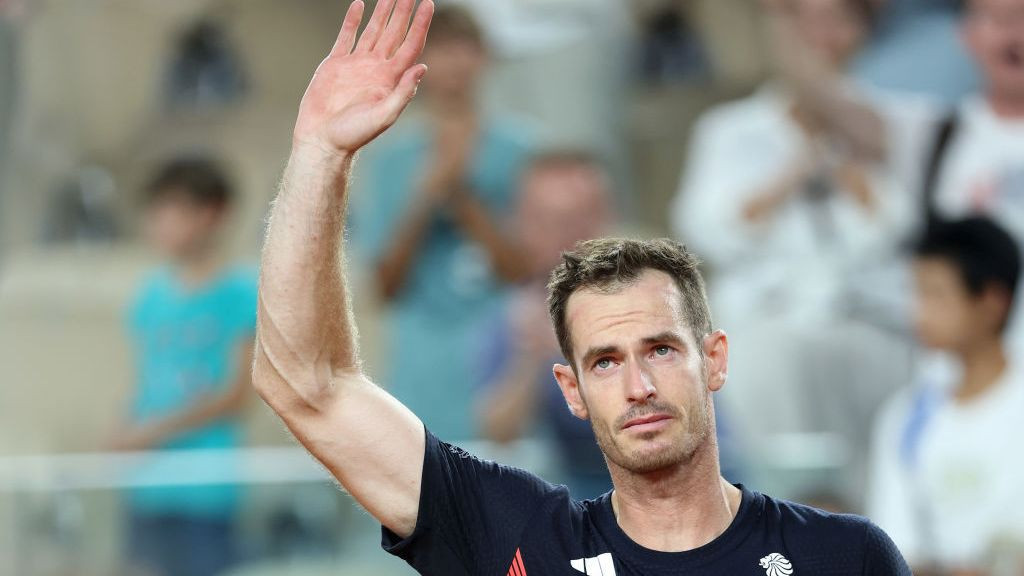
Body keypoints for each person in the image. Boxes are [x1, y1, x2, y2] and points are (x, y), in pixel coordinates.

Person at [252, 1, 910, 574]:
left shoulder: (842, 556)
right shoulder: (521, 536)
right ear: (571, 389)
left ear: (714, 358)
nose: (638, 386)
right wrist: (320, 155)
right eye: (604, 361)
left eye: (660, 349)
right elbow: (311, 388)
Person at [672, 0, 913, 491]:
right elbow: (705, 230)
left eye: (838, 20)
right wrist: (792, 171)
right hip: (768, 325)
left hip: (868, 323)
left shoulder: (890, 121)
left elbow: (898, 226)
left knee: (874, 476)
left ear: (861, 32)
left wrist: (842, 146)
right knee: (780, 477)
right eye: (807, 21)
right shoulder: (730, 129)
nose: (821, 36)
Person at [350, 3, 531, 441]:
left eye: (464, 49)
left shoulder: (524, 151)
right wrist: (425, 200)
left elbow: (527, 274)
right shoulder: (386, 159)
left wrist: (463, 200)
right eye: (441, 50)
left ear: (484, 58)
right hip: (420, 370)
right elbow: (385, 286)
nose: (454, 63)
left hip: (502, 363)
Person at [112, 157, 256, 576]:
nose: (160, 224)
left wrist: (153, 430)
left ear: (212, 213)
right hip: (145, 486)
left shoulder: (240, 291)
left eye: (172, 211)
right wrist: (122, 431)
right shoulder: (150, 296)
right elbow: (142, 381)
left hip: (204, 487)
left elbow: (235, 394)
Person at [867, 217, 1024, 574]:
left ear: (992, 302)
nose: (918, 312)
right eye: (916, 292)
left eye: (935, 294)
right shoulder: (906, 416)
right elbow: (896, 552)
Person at [474, 150, 615, 499]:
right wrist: (531, 356)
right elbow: (498, 428)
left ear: (605, 218)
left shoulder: (653, 301)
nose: (562, 238)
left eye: (575, 220)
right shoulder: (512, 316)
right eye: (543, 220)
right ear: (520, 224)